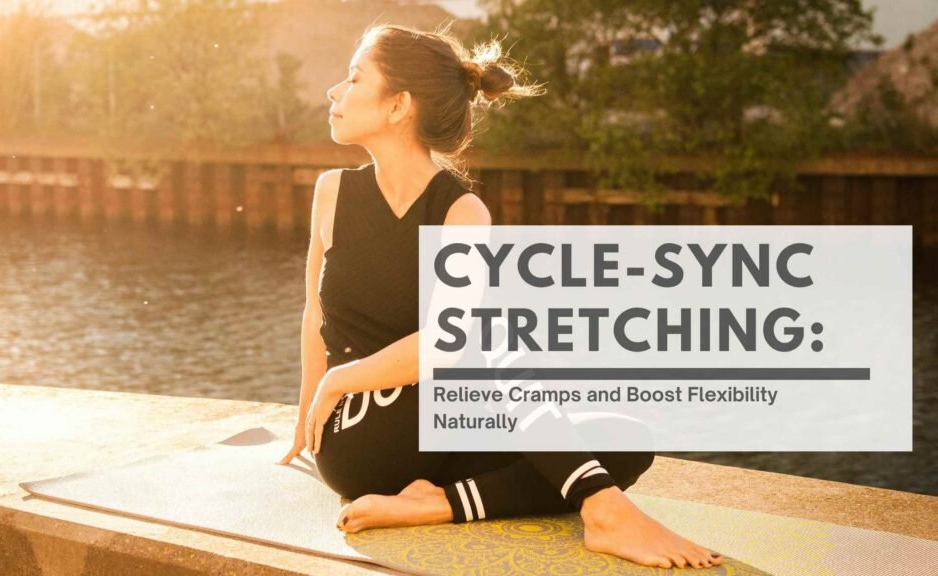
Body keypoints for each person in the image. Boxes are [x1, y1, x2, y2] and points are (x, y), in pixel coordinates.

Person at [278, 24, 724, 570]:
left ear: (398, 106)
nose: (335, 92)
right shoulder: (332, 192)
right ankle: (603, 512)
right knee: (493, 340)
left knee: (625, 440)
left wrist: (335, 379)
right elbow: (315, 313)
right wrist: (309, 416)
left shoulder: (463, 214)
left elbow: (444, 349)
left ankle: (437, 503)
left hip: (437, 426)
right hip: (359, 440)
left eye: (353, 78)